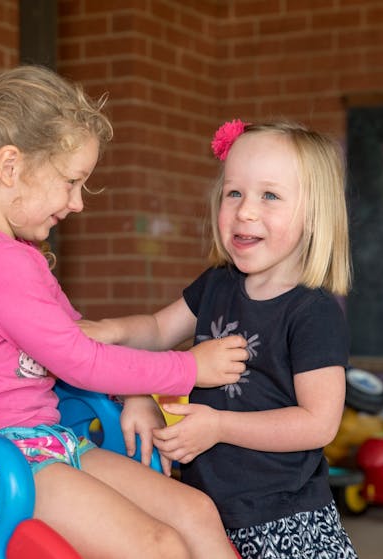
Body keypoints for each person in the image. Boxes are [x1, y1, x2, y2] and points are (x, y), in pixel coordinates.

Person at [0, 65, 249, 559]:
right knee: (157, 546)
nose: (78, 203)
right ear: (10, 167)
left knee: (194, 512)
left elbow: (81, 339)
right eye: (71, 182)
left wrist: (133, 391)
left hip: (41, 445)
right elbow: (78, 359)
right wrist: (190, 368)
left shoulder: (13, 255)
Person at [80, 120, 359, 558]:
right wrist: (110, 331)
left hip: (284, 519)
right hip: (206, 509)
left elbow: (318, 423)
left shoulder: (312, 313)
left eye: (269, 195)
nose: (246, 210)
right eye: (235, 193)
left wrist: (218, 426)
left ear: (313, 215)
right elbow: (156, 331)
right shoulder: (217, 284)